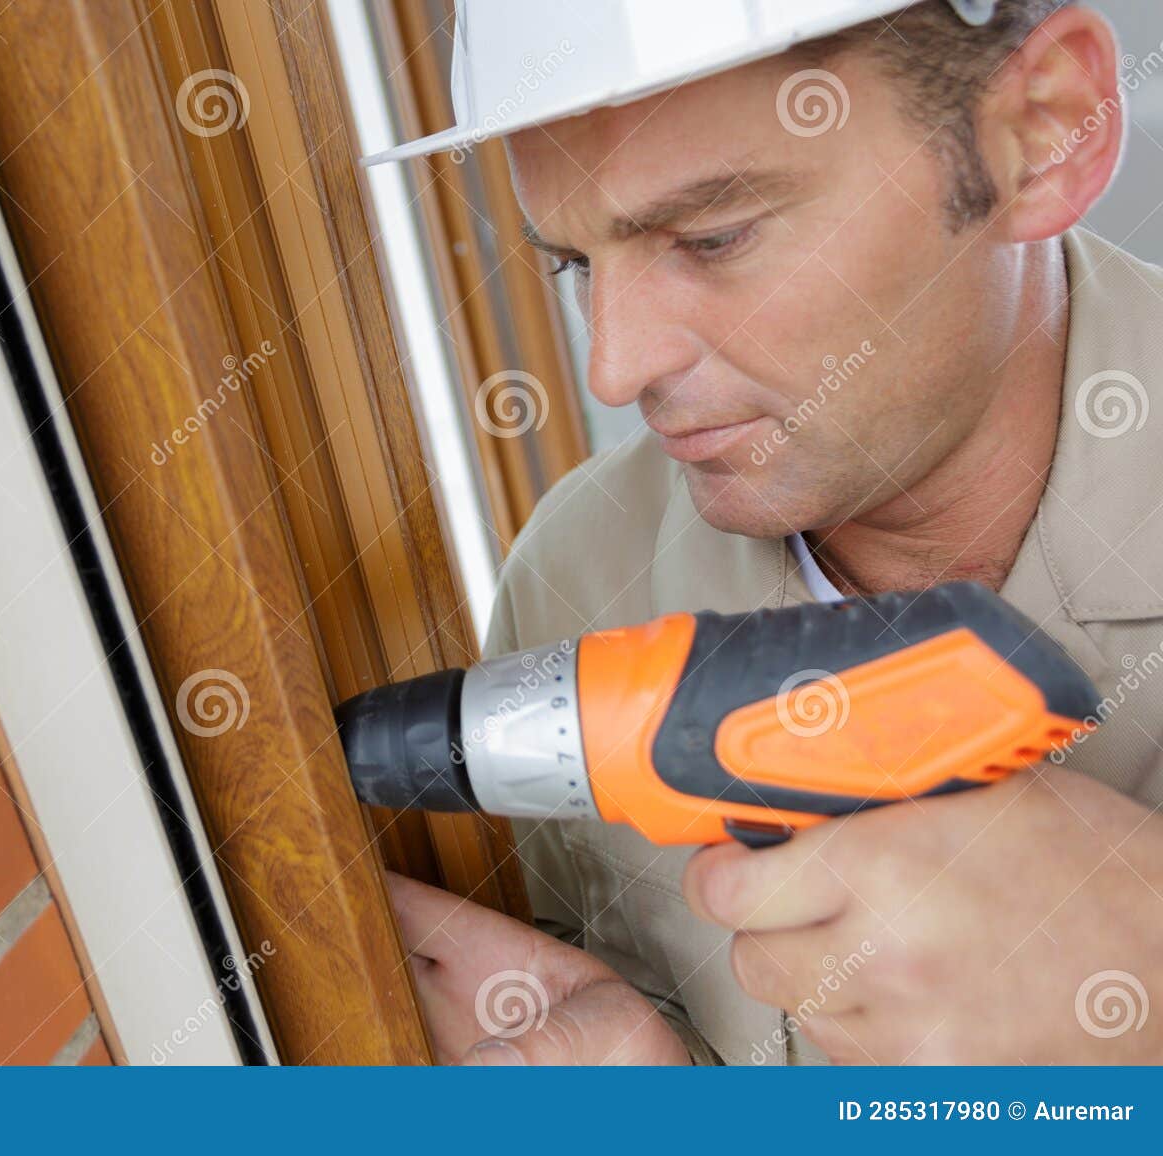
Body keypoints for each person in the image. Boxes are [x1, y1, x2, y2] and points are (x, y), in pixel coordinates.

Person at [372, 1, 1163, 1065]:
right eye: (574, 264)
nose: (617, 366)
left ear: (1040, 130)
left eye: (712, 236)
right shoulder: (579, 581)